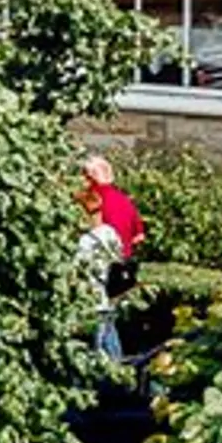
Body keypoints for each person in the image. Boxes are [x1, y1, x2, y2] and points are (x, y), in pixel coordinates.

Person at [82, 152, 144, 359]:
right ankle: (118, 365)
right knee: (108, 323)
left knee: (99, 326)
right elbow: (139, 237)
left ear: (89, 177)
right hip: (120, 272)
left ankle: (109, 371)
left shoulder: (92, 200)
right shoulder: (125, 201)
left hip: (98, 271)